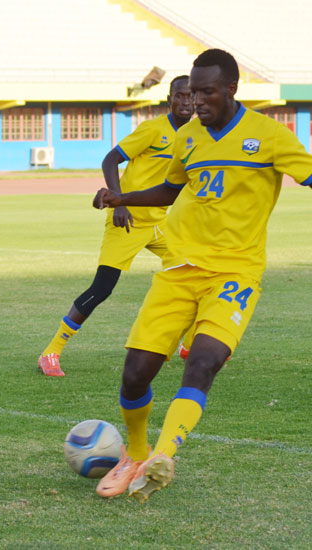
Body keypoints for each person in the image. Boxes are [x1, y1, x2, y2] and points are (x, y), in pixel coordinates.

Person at [92, 48, 312, 502]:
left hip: (235, 272)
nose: (198, 102)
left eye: (208, 93)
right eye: (194, 93)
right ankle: (135, 454)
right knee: (135, 374)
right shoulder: (188, 136)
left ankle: (163, 456)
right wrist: (122, 198)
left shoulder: (269, 136)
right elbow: (172, 189)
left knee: (204, 362)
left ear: (232, 89)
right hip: (179, 270)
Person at [37, 76, 193, 377]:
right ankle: (51, 351)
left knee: (196, 271)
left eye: (191, 97)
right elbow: (110, 159)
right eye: (180, 96)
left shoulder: (197, 135)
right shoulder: (153, 130)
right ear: (169, 99)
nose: (186, 103)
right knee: (103, 288)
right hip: (128, 220)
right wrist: (119, 203)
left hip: (164, 221)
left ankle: (189, 344)